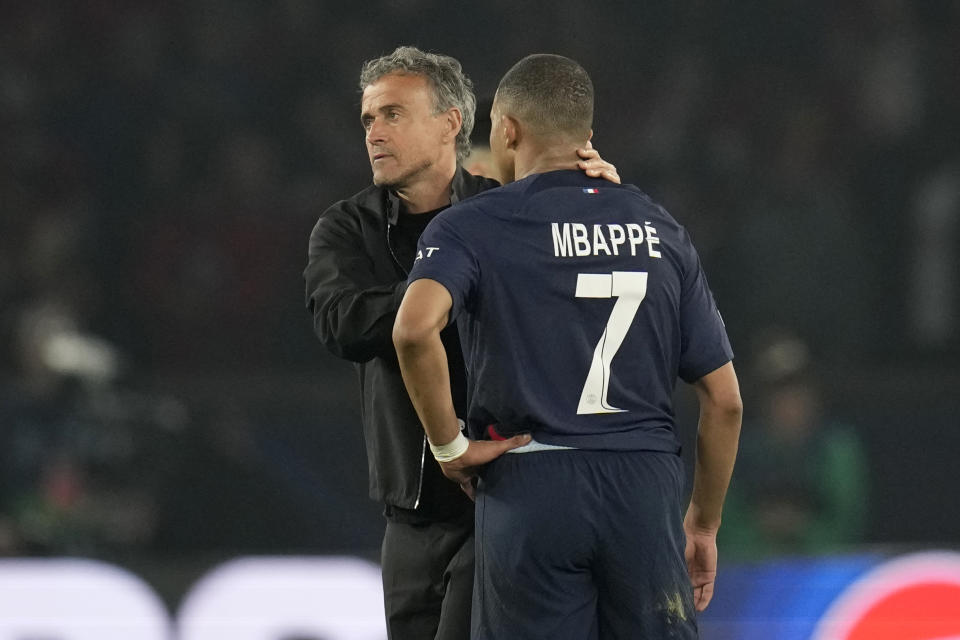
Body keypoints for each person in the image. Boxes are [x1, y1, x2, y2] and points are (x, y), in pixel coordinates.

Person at [394, 54, 743, 639]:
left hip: (532, 482)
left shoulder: (472, 226)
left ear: (507, 129)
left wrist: (448, 444)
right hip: (643, 486)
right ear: (587, 136)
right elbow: (725, 401)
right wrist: (703, 525)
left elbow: (412, 329)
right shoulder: (660, 229)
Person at [303, 46, 619, 640]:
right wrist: (450, 287)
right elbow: (340, 323)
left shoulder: (509, 211)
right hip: (408, 515)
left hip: (501, 499)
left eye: (393, 114)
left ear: (451, 122)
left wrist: (596, 207)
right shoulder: (347, 227)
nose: (374, 132)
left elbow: (579, 289)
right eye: (368, 119)